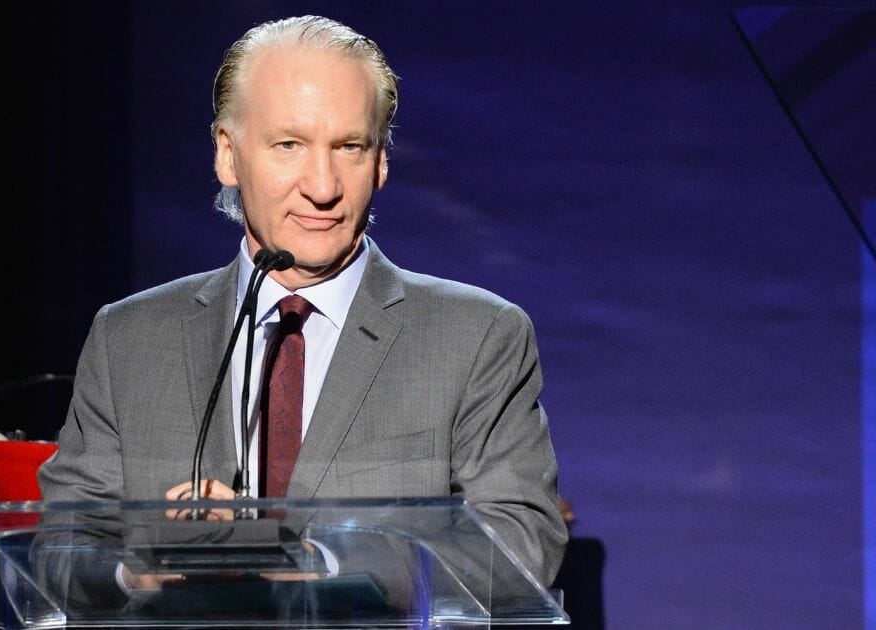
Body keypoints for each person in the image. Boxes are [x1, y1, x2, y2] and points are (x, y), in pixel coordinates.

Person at [38, 15, 567, 587]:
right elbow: (62, 550)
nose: (322, 186)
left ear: (382, 161)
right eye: (289, 144)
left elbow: (520, 546)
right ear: (226, 154)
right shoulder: (129, 340)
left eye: (349, 147)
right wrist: (137, 572)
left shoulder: (476, 338)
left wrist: (324, 563)